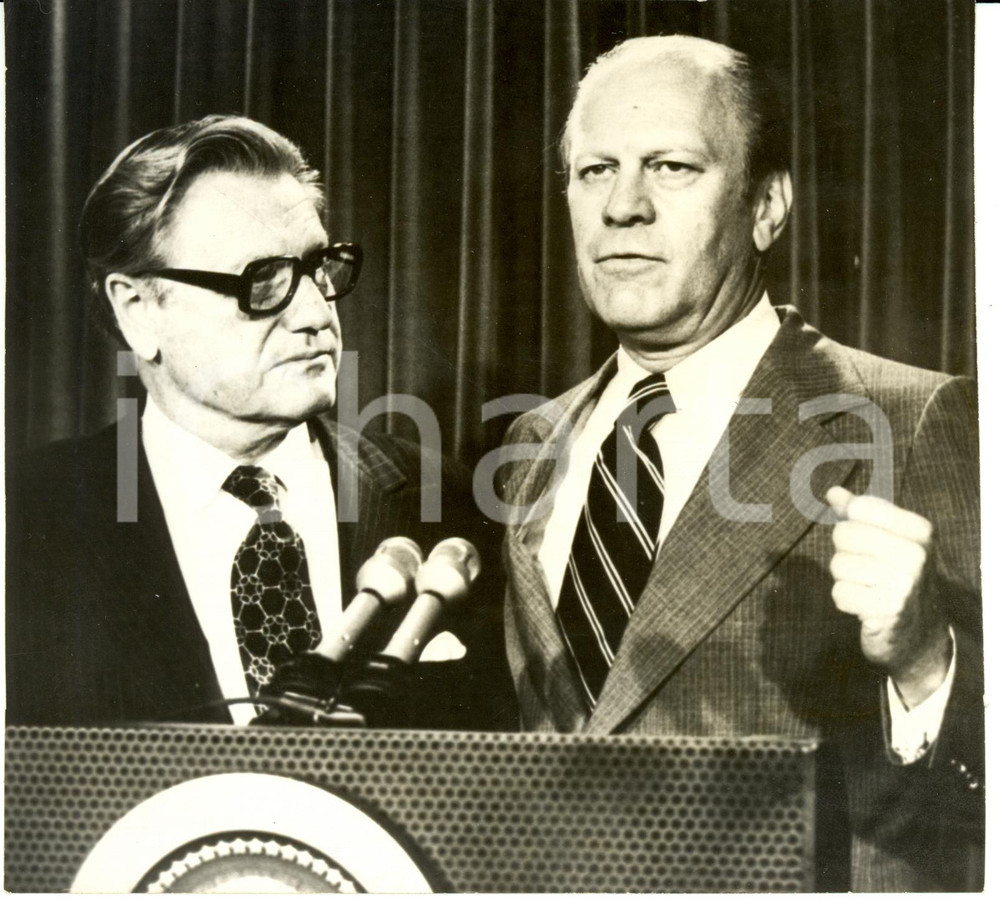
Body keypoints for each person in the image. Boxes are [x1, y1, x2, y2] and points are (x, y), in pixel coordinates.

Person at [499, 36, 981, 890]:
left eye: (672, 167)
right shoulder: (532, 446)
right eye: (595, 170)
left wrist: (924, 662)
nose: (624, 207)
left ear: (766, 206)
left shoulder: (912, 420)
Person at [6, 115, 514, 732]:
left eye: (318, 267)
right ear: (138, 310)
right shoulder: (25, 519)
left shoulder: (451, 503)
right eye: (260, 281)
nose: (314, 313)